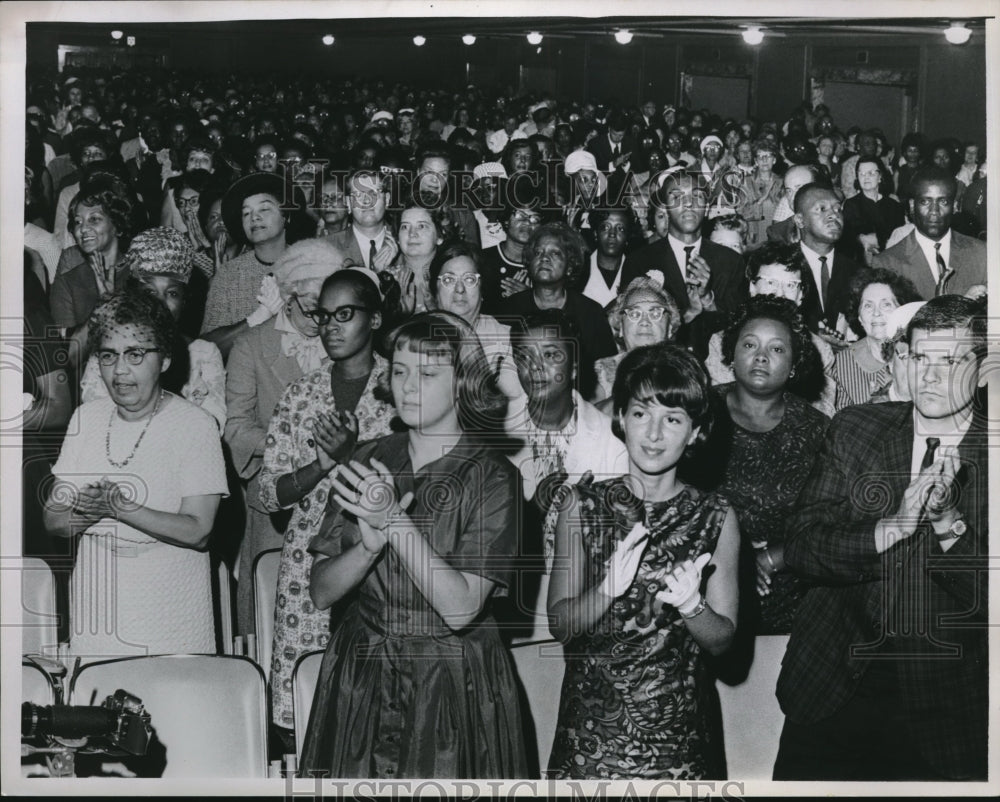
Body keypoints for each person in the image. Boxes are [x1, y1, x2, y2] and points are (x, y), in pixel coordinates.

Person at [299, 311, 528, 778]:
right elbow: (321, 591)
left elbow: (461, 608)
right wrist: (365, 549)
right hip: (361, 677)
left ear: (463, 382)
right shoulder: (366, 457)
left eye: (427, 374)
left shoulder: (494, 476)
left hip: (451, 683)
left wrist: (394, 524)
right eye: (399, 371)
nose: (407, 387)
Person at [774, 294, 988, 781]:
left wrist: (948, 522)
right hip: (831, 692)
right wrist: (888, 528)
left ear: (981, 368)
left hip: (946, 712)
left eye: (950, 360)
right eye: (918, 357)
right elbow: (804, 547)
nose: (929, 376)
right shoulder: (855, 429)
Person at [547, 344, 740, 779]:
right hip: (591, 740)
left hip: (680, 742)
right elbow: (560, 625)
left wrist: (693, 606)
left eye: (672, 419)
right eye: (640, 414)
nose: (654, 434)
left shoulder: (717, 517)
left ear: (694, 432)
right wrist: (605, 591)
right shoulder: (580, 505)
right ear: (620, 419)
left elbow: (723, 642)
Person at [43, 290, 228, 657]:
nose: (120, 371)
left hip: (172, 603)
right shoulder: (87, 418)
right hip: (99, 600)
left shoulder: (195, 425)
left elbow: (199, 530)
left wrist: (120, 508)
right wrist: (89, 511)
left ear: (165, 359)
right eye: (109, 356)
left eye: (135, 355)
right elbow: (52, 519)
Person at [261, 268, 395, 740]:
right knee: (308, 703)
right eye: (324, 316)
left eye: (346, 314)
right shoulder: (300, 395)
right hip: (307, 566)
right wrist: (321, 465)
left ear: (375, 318)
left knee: (378, 707)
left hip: (380, 559)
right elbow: (269, 493)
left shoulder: (400, 392)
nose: (332, 326)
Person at [224, 238, 349, 635]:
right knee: (272, 619)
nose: (323, 322)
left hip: (337, 502)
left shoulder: (346, 343)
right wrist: (296, 447)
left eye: (331, 311)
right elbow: (237, 429)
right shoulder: (251, 346)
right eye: (313, 310)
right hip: (275, 506)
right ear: (288, 297)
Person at [686, 295, 828, 636]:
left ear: (794, 365)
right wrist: (737, 562)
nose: (761, 356)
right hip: (700, 586)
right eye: (750, 344)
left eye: (777, 349)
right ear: (732, 355)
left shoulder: (817, 429)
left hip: (791, 592)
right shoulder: (697, 413)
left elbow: (829, 519)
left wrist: (769, 560)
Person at [77, 226, 226, 431]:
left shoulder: (204, 354)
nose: (161, 303)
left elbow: (213, 427)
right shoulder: (108, 354)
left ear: (184, 301)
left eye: (172, 293)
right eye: (150, 291)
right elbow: (96, 422)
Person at [619, 171, 746, 358]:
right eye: (677, 196)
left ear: (707, 207)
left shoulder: (731, 261)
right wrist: (685, 315)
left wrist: (708, 300)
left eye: (697, 196)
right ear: (665, 208)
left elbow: (741, 325)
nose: (689, 203)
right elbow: (631, 329)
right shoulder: (639, 262)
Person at [705, 242, 838, 418]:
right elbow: (719, 407)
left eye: (791, 285)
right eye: (770, 282)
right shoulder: (722, 342)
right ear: (752, 288)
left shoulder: (820, 350)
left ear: (801, 296)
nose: (779, 294)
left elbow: (821, 414)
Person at [499, 223, 617, 397]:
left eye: (555, 253)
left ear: (570, 266)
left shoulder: (590, 312)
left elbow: (607, 372)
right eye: (538, 253)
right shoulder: (510, 309)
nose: (544, 258)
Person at [200, 171, 289, 359]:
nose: (254, 218)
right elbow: (206, 348)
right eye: (246, 213)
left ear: (286, 216)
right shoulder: (228, 276)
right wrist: (257, 318)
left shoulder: (310, 264)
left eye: (264, 209)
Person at [871, 167, 987, 300]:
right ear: (912, 205)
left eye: (943, 202)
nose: (934, 211)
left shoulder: (981, 254)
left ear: (955, 206)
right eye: (925, 201)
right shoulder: (887, 264)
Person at [428, 240, 521, 399]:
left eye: (469, 279)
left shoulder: (509, 340)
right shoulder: (415, 336)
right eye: (449, 280)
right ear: (435, 290)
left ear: (482, 288)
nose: (459, 289)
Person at [50, 181, 134, 332]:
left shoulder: (139, 273)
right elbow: (68, 349)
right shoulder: (68, 282)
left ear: (118, 225)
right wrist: (102, 309)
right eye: (77, 222)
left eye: (94, 219)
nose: (82, 229)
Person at [833, 268, 922, 409]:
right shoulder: (842, 365)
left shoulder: (920, 355)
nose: (876, 313)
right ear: (860, 317)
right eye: (868, 306)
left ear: (902, 310)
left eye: (886, 304)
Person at [593, 275, 681, 401]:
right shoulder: (600, 373)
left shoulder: (685, 370)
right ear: (621, 327)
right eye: (634, 314)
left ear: (670, 327)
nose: (644, 321)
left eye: (655, 313)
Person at [478, 182, 546, 314]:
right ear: (506, 219)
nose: (527, 222)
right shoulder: (483, 259)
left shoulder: (543, 265)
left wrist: (531, 299)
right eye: (520, 215)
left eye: (534, 218)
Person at [842, 157, 906, 265]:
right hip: (862, 262)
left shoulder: (893, 205)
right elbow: (850, 239)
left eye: (871, 173)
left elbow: (899, 236)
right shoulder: (851, 205)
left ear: (880, 177)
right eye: (861, 174)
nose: (866, 177)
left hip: (893, 259)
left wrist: (876, 238)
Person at [579, 206, 638, 309]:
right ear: (595, 233)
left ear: (628, 236)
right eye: (606, 227)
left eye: (620, 228)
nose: (612, 234)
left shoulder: (637, 273)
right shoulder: (579, 269)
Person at [737, 140, 782, 247]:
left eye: (768, 156)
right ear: (756, 161)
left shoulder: (782, 182)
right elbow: (741, 214)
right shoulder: (745, 183)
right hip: (755, 238)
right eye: (760, 156)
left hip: (777, 238)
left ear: (774, 160)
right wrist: (761, 199)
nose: (764, 159)